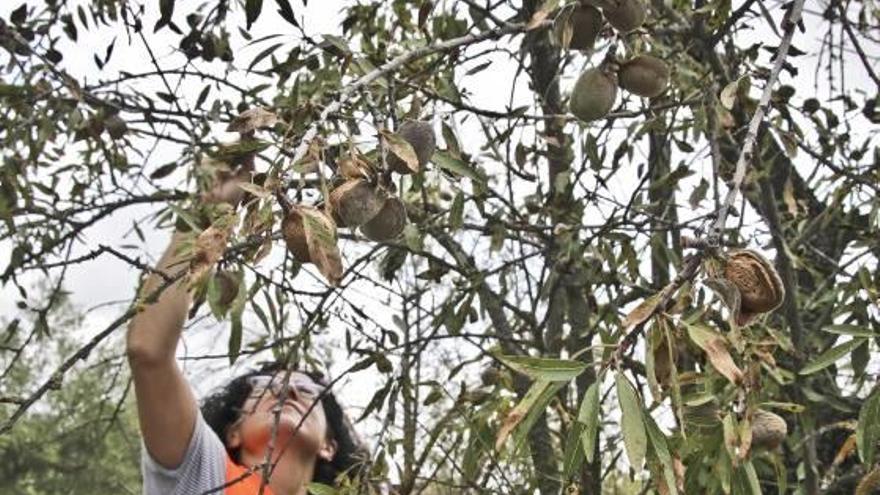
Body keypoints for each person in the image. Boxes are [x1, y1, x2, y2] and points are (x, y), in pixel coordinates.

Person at [126, 160, 367, 494]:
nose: (287, 391)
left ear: (329, 445)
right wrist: (208, 212)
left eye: (307, 391)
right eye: (265, 386)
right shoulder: (206, 476)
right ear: (233, 433)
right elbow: (148, 350)